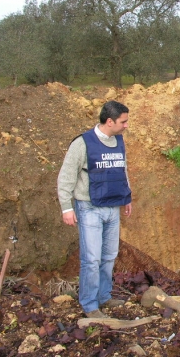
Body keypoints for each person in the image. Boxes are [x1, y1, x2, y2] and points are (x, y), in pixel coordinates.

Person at [57, 100, 133, 318]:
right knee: (91, 259)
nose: (126, 126)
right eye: (123, 121)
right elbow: (66, 176)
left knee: (109, 255)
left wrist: (127, 196)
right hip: (89, 207)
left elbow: (121, 168)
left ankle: (104, 296)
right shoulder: (83, 143)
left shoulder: (118, 141)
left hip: (113, 207)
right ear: (109, 121)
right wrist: (66, 208)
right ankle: (90, 304)